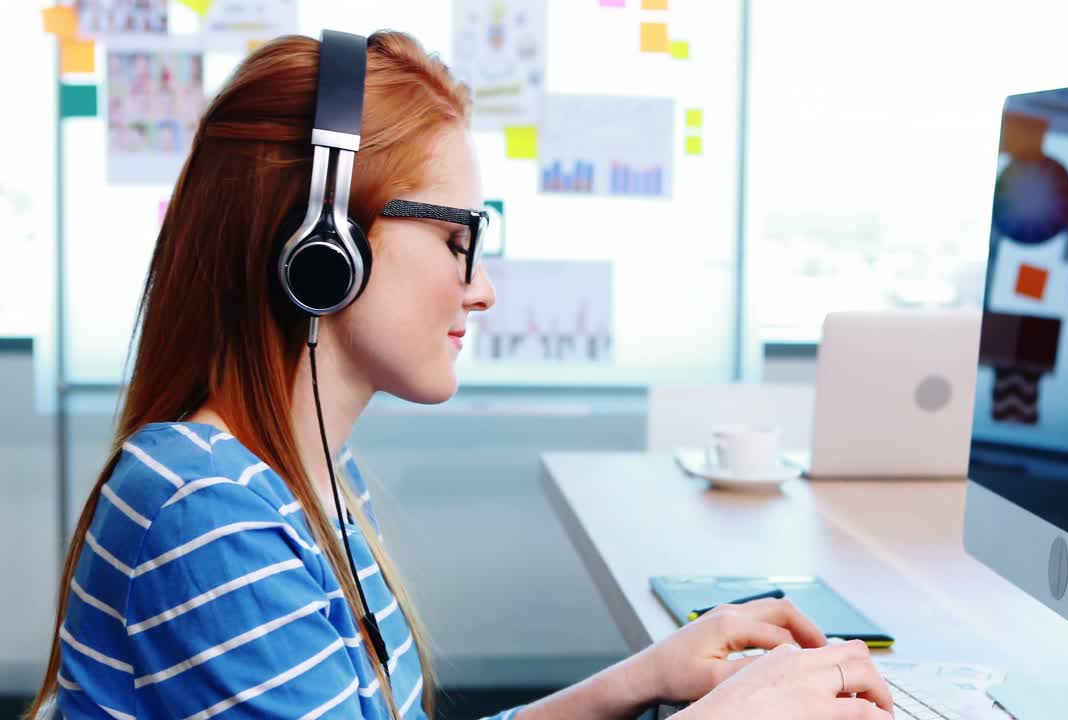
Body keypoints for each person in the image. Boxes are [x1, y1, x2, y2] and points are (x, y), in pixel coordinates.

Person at [27, 31, 893, 719]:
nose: (479, 288)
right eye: (454, 240)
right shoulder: (206, 519)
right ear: (321, 247)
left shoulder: (304, 484)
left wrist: (637, 680)